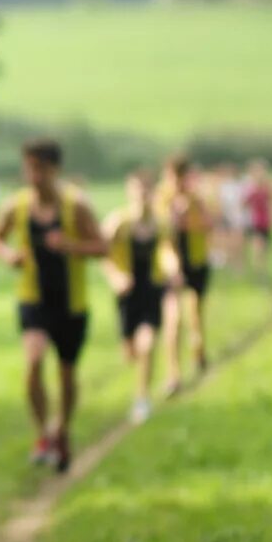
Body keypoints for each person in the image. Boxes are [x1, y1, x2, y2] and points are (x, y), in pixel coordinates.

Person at [0, 137, 108, 469]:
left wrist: (70, 245)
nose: (33, 175)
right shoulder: (17, 206)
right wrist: (9, 255)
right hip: (33, 299)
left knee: (67, 374)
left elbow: (103, 247)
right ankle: (43, 434)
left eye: (39, 168)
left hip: (71, 303)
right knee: (34, 361)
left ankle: (63, 431)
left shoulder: (76, 206)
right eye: (29, 168)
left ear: (55, 169)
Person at [101, 168, 169, 423]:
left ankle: (142, 398)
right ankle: (138, 376)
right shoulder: (118, 222)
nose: (142, 195)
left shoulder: (160, 224)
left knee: (147, 345)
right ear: (129, 193)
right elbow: (102, 254)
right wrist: (116, 277)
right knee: (130, 352)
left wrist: (173, 271)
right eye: (137, 190)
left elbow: (168, 251)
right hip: (126, 294)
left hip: (151, 290)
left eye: (146, 190)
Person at [156, 153, 216, 391]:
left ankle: (198, 350)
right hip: (171, 265)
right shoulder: (161, 199)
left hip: (196, 260)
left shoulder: (195, 199)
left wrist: (188, 220)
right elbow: (158, 230)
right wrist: (172, 217)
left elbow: (209, 224)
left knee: (195, 312)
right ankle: (173, 373)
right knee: (174, 318)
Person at [241, 159, 272, 283]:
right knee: (258, 248)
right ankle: (260, 273)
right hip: (254, 222)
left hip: (266, 222)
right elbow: (243, 204)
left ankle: (261, 270)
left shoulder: (269, 186)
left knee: (265, 249)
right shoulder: (250, 188)